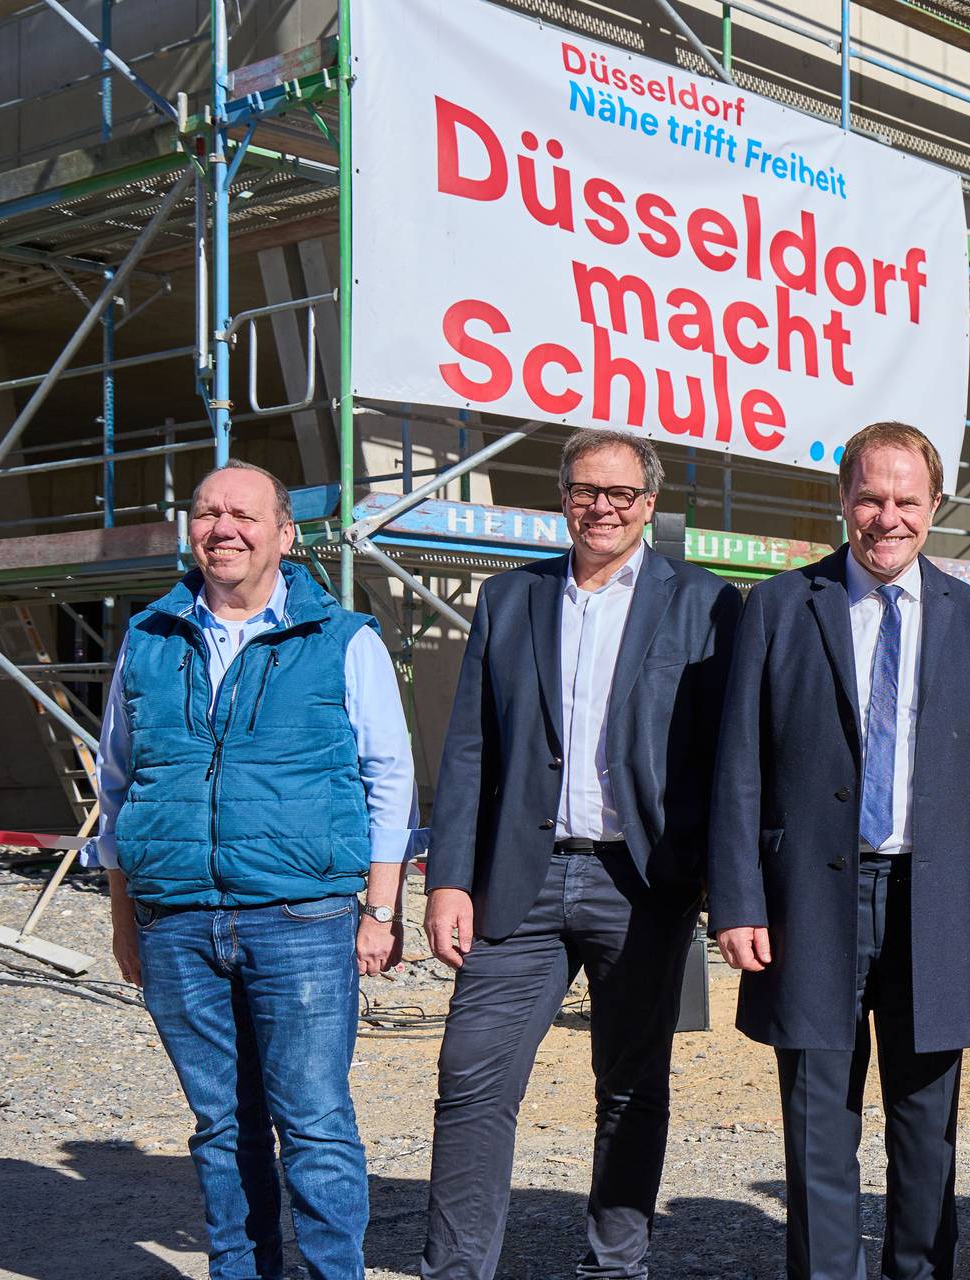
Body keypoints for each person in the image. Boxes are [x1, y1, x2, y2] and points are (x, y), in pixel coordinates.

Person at [417, 429, 742, 1279]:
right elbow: (470, 749)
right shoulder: (510, 599)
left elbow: (727, 757)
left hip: (641, 883)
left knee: (631, 1086)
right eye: (585, 490)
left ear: (650, 503)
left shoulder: (706, 604)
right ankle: (456, 1271)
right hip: (515, 882)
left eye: (621, 493)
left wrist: (724, 882)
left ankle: (615, 1265)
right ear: (562, 497)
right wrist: (448, 879)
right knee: (472, 1080)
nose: (603, 507)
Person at [708, 420, 970, 1280]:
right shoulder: (779, 606)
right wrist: (736, 900)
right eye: (871, 498)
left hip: (934, 899)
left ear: (935, 506)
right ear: (843, 499)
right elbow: (739, 762)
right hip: (811, 902)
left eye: (907, 501)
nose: (889, 518)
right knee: (818, 1122)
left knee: (927, 1127)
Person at [89, 461, 416, 1280]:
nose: (223, 529)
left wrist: (380, 910)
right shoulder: (149, 638)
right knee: (219, 1126)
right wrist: (124, 919)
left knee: (314, 1122)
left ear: (285, 534)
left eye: (244, 514)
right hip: (175, 921)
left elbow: (390, 777)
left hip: (301, 917)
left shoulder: (344, 640)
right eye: (208, 513)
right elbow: (118, 783)